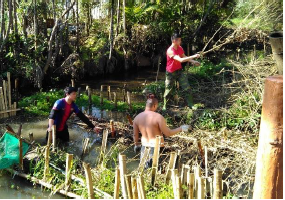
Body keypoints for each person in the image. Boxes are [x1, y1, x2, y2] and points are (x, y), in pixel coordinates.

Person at [133, 94, 190, 169]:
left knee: (143, 170)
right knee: (155, 171)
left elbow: (135, 135)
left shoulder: (137, 117)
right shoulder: (158, 117)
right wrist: (181, 128)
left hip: (144, 147)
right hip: (156, 148)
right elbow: (168, 133)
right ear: (154, 105)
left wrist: (136, 145)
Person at [163, 32, 201, 110]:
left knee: (187, 87)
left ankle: (191, 105)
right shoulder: (170, 51)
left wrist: (193, 61)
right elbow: (180, 60)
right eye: (179, 40)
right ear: (174, 41)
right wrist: (194, 56)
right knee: (168, 90)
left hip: (179, 71)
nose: (180, 42)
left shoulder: (180, 48)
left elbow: (184, 57)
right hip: (170, 72)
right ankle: (165, 106)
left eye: (180, 40)